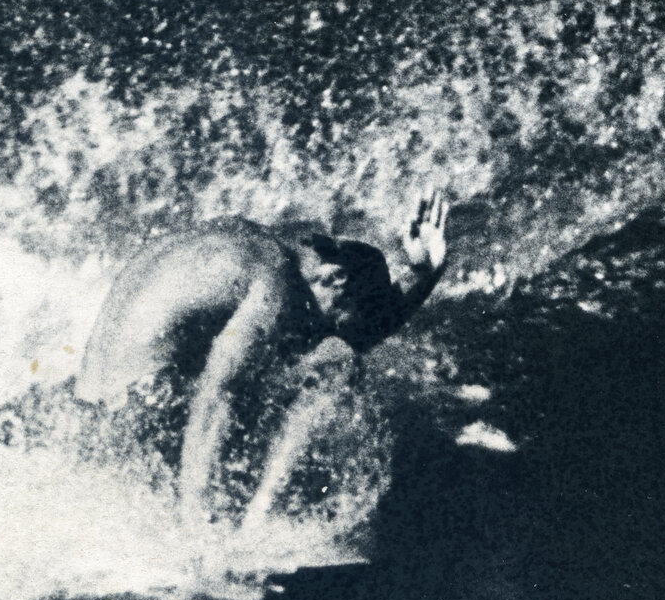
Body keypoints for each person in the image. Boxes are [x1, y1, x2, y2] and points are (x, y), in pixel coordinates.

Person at [74, 189, 449, 522]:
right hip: (133, 420)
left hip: (91, 418)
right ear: (336, 279)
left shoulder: (247, 243)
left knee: (279, 360)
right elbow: (218, 392)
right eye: (339, 319)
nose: (326, 334)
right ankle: (223, 520)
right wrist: (197, 532)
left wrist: (425, 274)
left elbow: (354, 329)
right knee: (336, 367)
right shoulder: (276, 284)